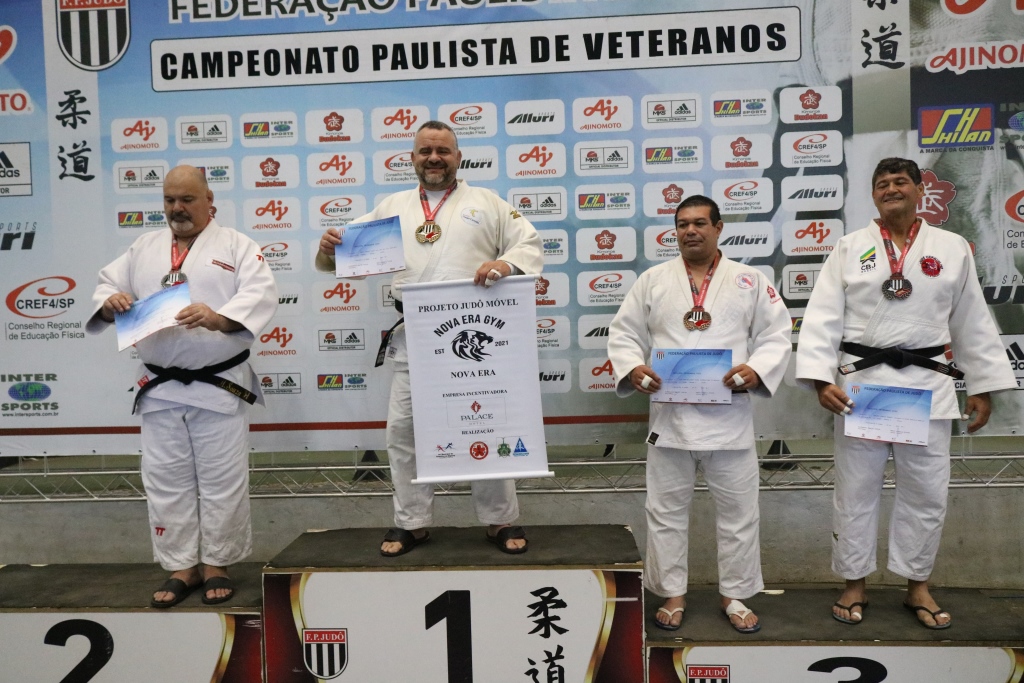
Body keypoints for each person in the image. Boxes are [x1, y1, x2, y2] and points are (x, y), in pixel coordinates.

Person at [796, 157, 1017, 629]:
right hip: (863, 386)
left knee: (927, 491)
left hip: (926, 383)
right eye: (882, 184)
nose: (891, 189)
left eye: (900, 182)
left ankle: (917, 583)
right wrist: (820, 378)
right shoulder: (849, 247)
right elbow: (822, 316)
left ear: (920, 190)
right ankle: (854, 582)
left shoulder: (951, 247)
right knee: (855, 491)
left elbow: (972, 320)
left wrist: (981, 385)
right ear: (873, 194)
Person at [316, 120, 543, 556]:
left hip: (473, 336)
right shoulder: (392, 207)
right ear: (413, 158)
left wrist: (505, 265)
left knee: (486, 421)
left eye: (442, 151)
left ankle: (499, 517)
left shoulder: (487, 203)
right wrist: (329, 247)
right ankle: (411, 522)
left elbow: (528, 244)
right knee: (403, 431)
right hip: (416, 336)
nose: (434, 158)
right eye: (425, 151)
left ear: (458, 157)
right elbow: (338, 257)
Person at [87, 165, 277, 607]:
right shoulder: (144, 246)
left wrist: (219, 317)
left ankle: (217, 564)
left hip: (219, 385)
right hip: (160, 386)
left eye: (187, 199)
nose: (177, 208)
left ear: (209, 201)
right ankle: (181, 566)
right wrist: (111, 303)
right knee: (165, 479)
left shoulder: (237, 246)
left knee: (222, 479)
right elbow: (107, 286)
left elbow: (260, 294)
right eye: (170, 200)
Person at [608, 195, 791, 633]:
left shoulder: (749, 280)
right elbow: (623, 333)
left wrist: (757, 369)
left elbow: (777, 334)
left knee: (740, 513)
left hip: (729, 419)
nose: (690, 231)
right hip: (669, 420)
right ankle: (672, 592)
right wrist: (632, 367)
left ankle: (736, 594)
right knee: (665, 512)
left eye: (700, 223)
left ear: (718, 227)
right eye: (682, 224)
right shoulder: (653, 280)